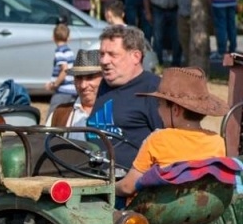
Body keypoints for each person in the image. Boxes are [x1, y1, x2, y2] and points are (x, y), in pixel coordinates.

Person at [114, 67, 225, 196]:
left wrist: (112, 187)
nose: (158, 111)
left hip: (157, 214)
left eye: (160, 105)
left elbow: (128, 187)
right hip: (201, 211)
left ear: (176, 110)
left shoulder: (158, 140)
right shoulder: (217, 141)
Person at [86, 24, 163, 168]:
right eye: (102, 54)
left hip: (132, 185)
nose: (104, 61)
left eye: (112, 55)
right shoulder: (103, 85)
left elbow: (167, 144)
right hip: (91, 176)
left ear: (136, 56)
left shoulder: (153, 89)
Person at [49, 48, 102, 127]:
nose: (83, 85)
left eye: (90, 77)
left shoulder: (117, 113)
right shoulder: (60, 113)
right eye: (79, 77)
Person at [46, 22, 76, 106]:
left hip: (62, 92)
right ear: (69, 38)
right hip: (72, 90)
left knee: (52, 117)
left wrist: (54, 84)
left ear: (53, 38)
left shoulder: (59, 51)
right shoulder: (69, 51)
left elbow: (65, 69)